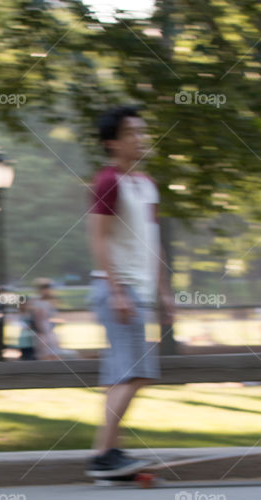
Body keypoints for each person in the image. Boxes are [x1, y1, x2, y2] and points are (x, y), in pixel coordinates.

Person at [85, 105, 174, 479]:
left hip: (134, 291)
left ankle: (107, 452)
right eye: (131, 133)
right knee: (134, 373)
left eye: (142, 131)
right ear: (112, 142)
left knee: (126, 374)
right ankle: (104, 454)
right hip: (116, 290)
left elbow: (152, 242)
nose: (140, 138)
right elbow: (99, 239)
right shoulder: (108, 182)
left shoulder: (146, 184)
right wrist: (118, 290)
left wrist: (165, 290)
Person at [30, 278, 62, 360]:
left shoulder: (51, 301)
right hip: (41, 330)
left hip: (49, 329)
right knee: (44, 351)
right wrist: (40, 330)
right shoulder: (36, 301)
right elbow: (37, 317)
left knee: (53, 350)